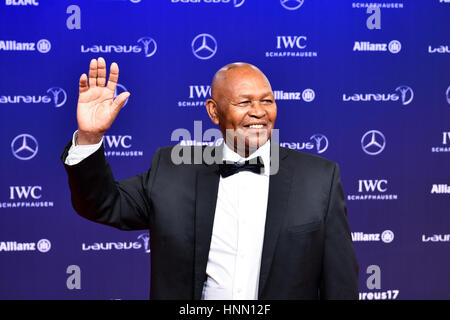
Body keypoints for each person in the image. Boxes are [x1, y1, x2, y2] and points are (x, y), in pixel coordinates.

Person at [61, 57, 359, 300]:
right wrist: (90, 136)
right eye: (244, 102)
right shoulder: (173, 169)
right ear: (214, 112)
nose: (258, 112)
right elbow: (101, 203)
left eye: (266, 101)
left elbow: (340, 283)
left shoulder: (319, 178)